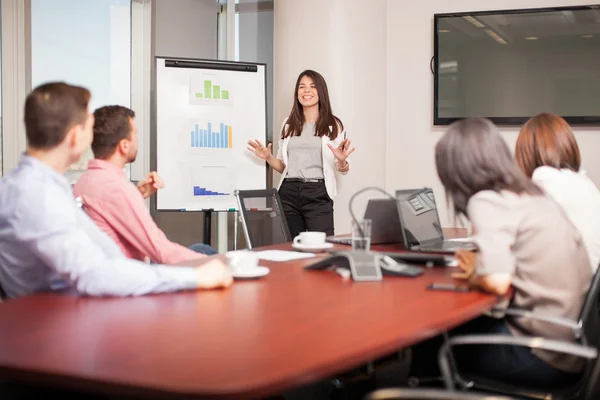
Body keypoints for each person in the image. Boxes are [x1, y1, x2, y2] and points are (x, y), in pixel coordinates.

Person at [0, 82, 232, 299]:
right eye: (89, 127)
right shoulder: (39, 197)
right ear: (73, 137)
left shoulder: (31, 185)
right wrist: (196, 277)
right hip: (77, 316)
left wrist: (134, 195)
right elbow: (95, 275)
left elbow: (99, 248)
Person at [410, 117, 591, 388]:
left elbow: (497, 281)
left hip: (540, 355)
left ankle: (420, 391)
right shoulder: (532, 195)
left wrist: (474, 276)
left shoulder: (487, 200)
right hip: (571, 347)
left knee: (429, 336)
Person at [73, 105, 217, 265]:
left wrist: (138, 195)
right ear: (124, 145)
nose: (137, 140)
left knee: (201, 249)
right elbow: (161, 251)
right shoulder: (117, 188)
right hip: (131, 274)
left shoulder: (85, 181)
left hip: (110, 266)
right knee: (207, 253)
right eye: (135, 134)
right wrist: (226, 262)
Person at [247, 70, 355, 239]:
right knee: (289, 246)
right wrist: (268, 157)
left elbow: (343, 168)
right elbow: (283, 166)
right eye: (302, 87)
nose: (306, 91)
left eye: (312, 87)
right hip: (288, 191)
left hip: (318, 192)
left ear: (321, 91)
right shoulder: (289, 124)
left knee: (322, 246)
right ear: (297, 93)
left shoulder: (333, 124)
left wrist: (342, 161)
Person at [515, 112, 600, 272]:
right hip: (587, 287)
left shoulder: (546, 176)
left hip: (566, 287)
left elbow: (526, 241)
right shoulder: (584, 182)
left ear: (528, 153)